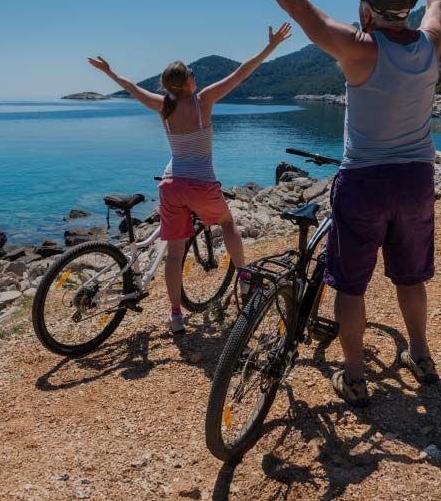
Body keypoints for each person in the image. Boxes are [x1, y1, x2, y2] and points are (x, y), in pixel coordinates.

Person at [239, 0, 441, 407]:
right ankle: (421, 355)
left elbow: (303, 11)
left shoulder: (361, 48)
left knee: (351, 286)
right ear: (407, 9)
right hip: (416, 179)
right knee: (410, 278)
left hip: (365, 182)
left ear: (368, 10)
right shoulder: (431, 46)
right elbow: (438, 5)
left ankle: (353, 377)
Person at [87, 23, 293, 334]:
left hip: (171, 186)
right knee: (227, 223)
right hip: (201, 184)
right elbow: (241, 73)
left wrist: (109, 72)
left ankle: (175, 315)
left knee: (174, 252)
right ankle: (245, 280)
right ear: (188, 82)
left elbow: (130, 87)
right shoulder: (203, 101)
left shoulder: (162, 107)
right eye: (194, 75)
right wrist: (272, 46)